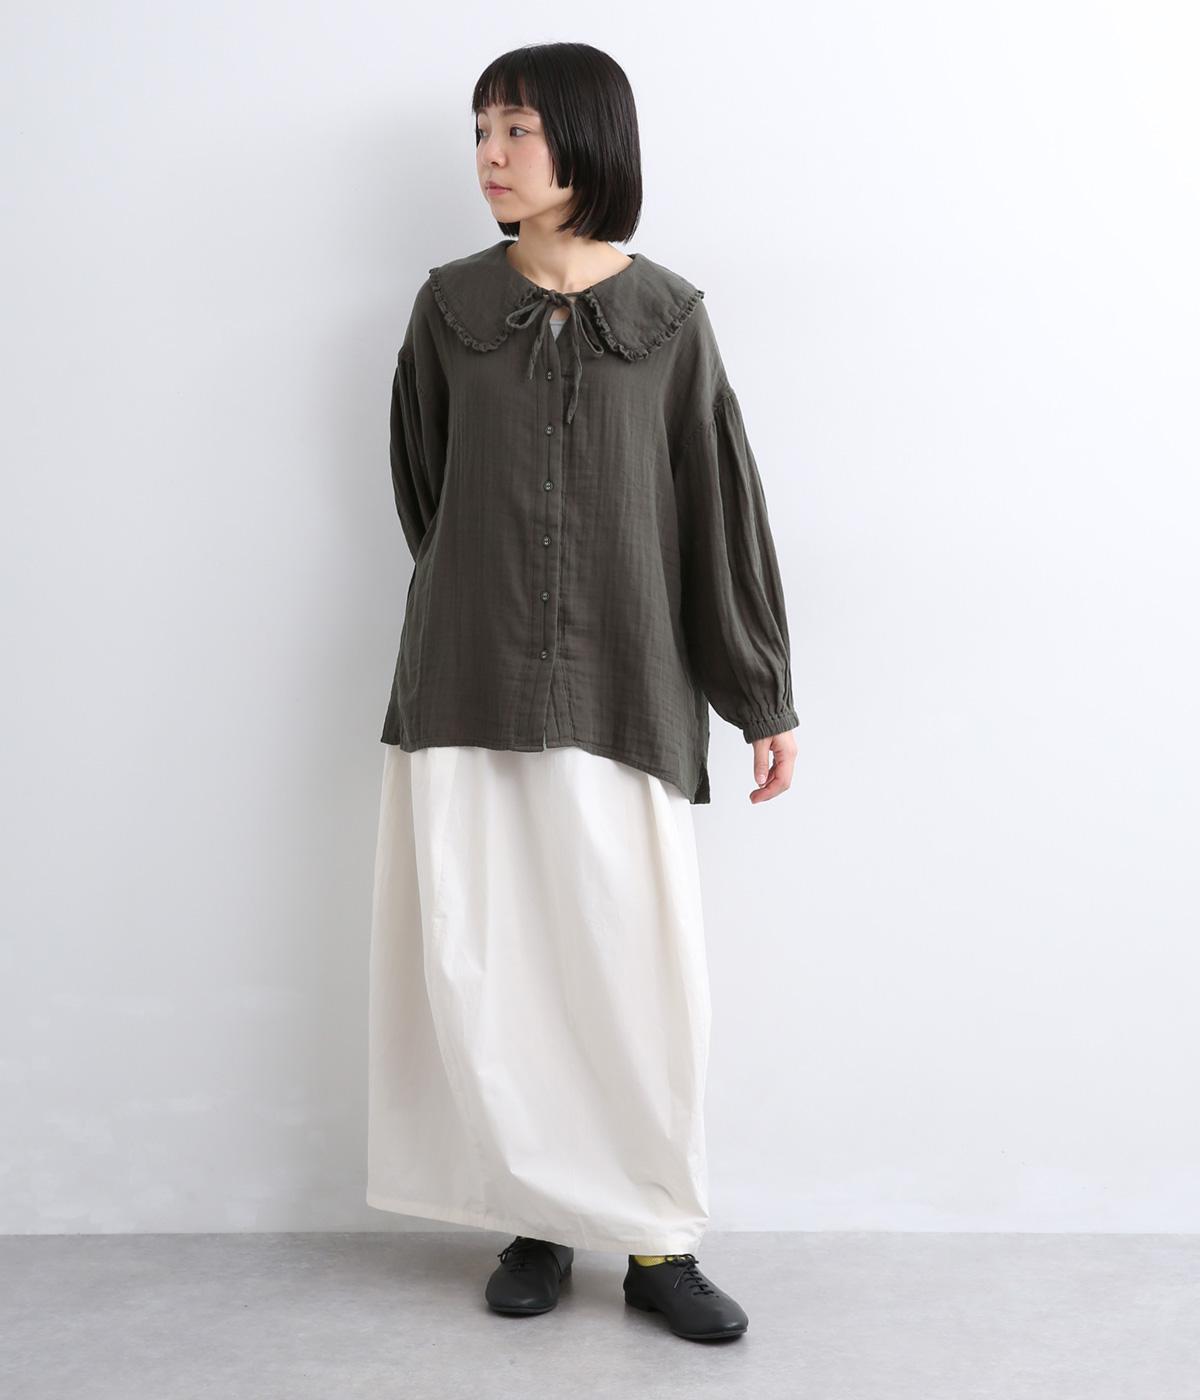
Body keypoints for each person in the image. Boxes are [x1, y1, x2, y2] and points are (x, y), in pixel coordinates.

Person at [366, 42, 798, 1344]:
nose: (490, 156)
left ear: (589, 140)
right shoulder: (448, 306)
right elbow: (426, 491)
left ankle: (659, 1243)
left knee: (633, 969)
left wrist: (760, 693)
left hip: (626, 684)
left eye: (517, 129)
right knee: (496, 966)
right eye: (480, 130)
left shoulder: (668, 317)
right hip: (468, 682)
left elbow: (714, 509)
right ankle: (538, 1220)